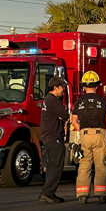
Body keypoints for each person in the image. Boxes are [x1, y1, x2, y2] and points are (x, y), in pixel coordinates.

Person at [71, 71, 106, 204]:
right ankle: (101, 195)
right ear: (97, 86)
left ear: (84, 86)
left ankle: (83, 195)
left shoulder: (78, 102)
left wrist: (83, 129)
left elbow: (74, 121)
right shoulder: (104, 101)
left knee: (84, 166)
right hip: (100, 134)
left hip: (84, 136)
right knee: (101, 165)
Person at [39, 76, 69, 204]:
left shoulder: (48, 99)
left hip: (48, 137)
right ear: (55, 88)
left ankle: (49, 193)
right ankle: (47, 193)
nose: (63, 90)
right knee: (56, 166)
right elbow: (65, 115)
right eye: (62, 87)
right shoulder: (53, 100)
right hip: (54, 137)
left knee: (52, 166)